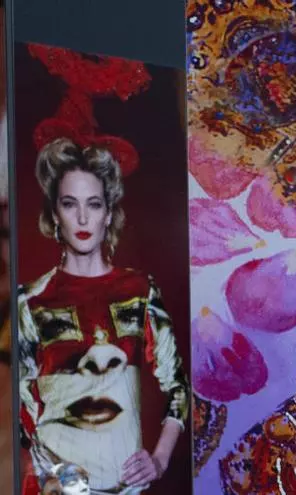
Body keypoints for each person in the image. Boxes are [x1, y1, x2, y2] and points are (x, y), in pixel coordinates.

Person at [18, 138, 189, 494]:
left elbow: (178, 387)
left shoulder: (140, 290)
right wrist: (53, 478)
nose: (82, 218)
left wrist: (159, 459)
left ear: (108, 214)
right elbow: (17, 408)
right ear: (55, 214)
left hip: (127, 488)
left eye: (93, 204)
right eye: (70, 204)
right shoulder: (31, 300)